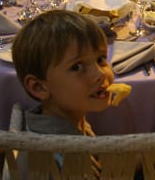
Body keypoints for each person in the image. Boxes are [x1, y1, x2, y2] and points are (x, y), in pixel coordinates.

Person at [11, 10, 115, 177]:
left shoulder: (69, 122)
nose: (100, 74)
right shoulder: (63, 154)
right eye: (77, 67)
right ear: (39, 87)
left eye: (100, 59)